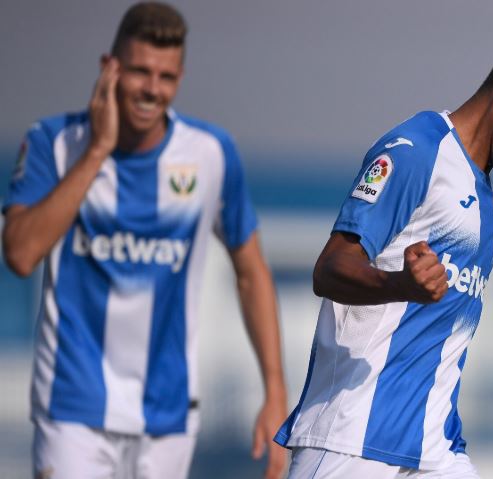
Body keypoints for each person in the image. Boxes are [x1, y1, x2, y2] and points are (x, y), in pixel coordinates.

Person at [274, 35, 493, 478]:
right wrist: (399, 286)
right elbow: (330, 268)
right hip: (351, 444)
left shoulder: (490, 203)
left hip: (435, 449)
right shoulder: (416, 151)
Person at [1, 3, 287, 478]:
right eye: (139, 72)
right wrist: (97, 150)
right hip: (72, 407)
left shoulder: (211, 154)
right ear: (108, 67)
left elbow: (251, 270)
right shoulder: (54, 142)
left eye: (166, 76)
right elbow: (20, 254)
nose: (152, 89)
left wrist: (274, 391)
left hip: (168, 415)